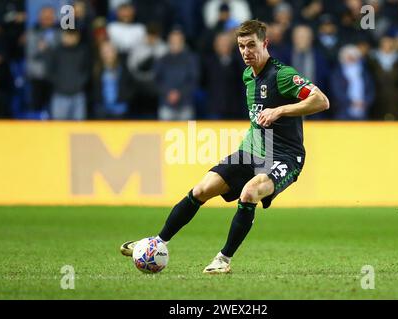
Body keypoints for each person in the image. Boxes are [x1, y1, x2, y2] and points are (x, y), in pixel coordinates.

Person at [120, 20, 329, 273]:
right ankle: (156, 242)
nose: (245, 52)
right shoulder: (247, 75)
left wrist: (280, 110)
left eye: (251, 45)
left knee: (250, 192)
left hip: (285, 155)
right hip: (251, 150)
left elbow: (321, 101)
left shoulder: (282, 75)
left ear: (265, 43)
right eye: (241, 46)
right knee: (201, 189)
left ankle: (223, 260)